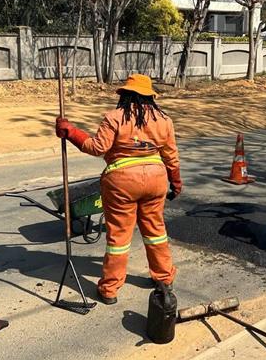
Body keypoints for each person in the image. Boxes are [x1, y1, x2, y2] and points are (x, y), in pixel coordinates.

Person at [55, 74, 182, 305]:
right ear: (149, 97)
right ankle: (164, 278)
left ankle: (110, 289)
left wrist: (70, 131)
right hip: (156, 181)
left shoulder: (115, 118)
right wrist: (176, 182)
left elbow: (96, 148)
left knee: (119, 238)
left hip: (121, 184)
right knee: (156, 232)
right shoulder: (164, 120)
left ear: (124, 94)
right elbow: (171, 156)